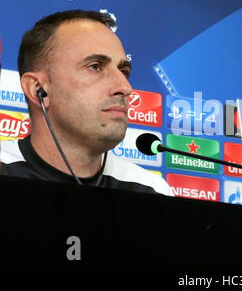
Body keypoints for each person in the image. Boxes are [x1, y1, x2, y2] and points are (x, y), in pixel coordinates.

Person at [0, 10, 172, 196]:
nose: (125, 87)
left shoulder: (151, 190)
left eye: (123, 71)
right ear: (37, 89)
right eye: (95, 67)